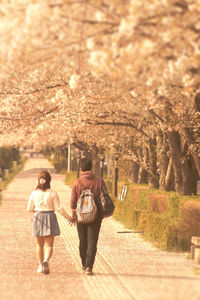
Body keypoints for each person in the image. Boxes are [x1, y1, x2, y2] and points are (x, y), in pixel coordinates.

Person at [27, 170, 72, 274]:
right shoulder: (53, 193)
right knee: (49, 245)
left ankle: (40, 266)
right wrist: (69, 217)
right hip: (50, 217)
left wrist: (36, 210)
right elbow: (59, 208)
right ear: (49, 181)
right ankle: (46, 261)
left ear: (39, 180)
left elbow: (29, 208)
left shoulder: (34, 193)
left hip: (38, 216)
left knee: (39, 245)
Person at [70, 157, 109, 275]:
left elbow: (73, 201)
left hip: (81, 216)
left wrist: (73, 213)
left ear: (80, 168)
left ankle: (83, 262)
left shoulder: (77, 182)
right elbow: (105, 197)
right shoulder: (99, 181)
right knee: (92, 241)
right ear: (91, 168)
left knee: (83, 240)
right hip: (96, 216)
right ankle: (89, 266)